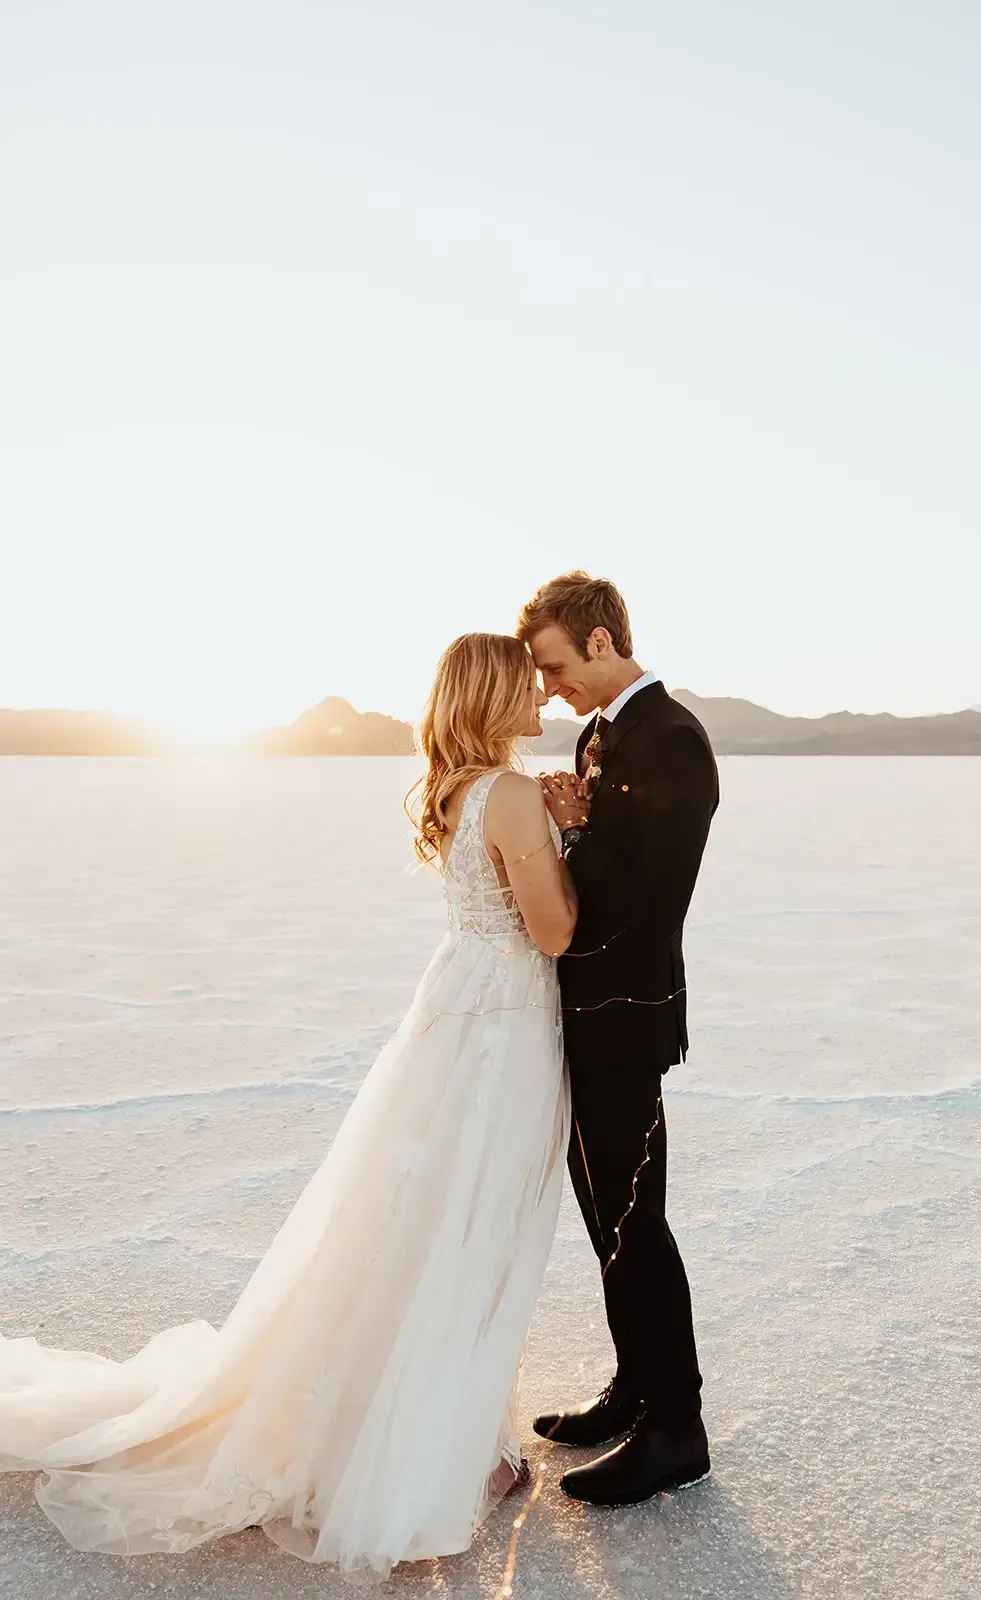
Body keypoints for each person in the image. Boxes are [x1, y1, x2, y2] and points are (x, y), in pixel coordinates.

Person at [0, 633, 575, 1577]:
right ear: (492, 694)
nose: (543, 704)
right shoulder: (511, 795)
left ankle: (444, 1426)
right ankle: (448, 1448)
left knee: (424, 1221)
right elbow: (551, 931)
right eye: (529, 689)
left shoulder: (458, 792)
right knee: (478, 1224)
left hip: (455, 1011)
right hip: (502, 1026)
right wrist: (579, 836)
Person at [518, 571, 719, 1507]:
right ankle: (633, 1389)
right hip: (584, 1009)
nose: (548, 687)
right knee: (606, 1218)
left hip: (629, 1018)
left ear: (600, 643)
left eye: (555, 666)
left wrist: (571, 827)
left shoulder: (672, 740)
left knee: (635, 1219)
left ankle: (676, 1428)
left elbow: (648, 909)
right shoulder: (600, 734)